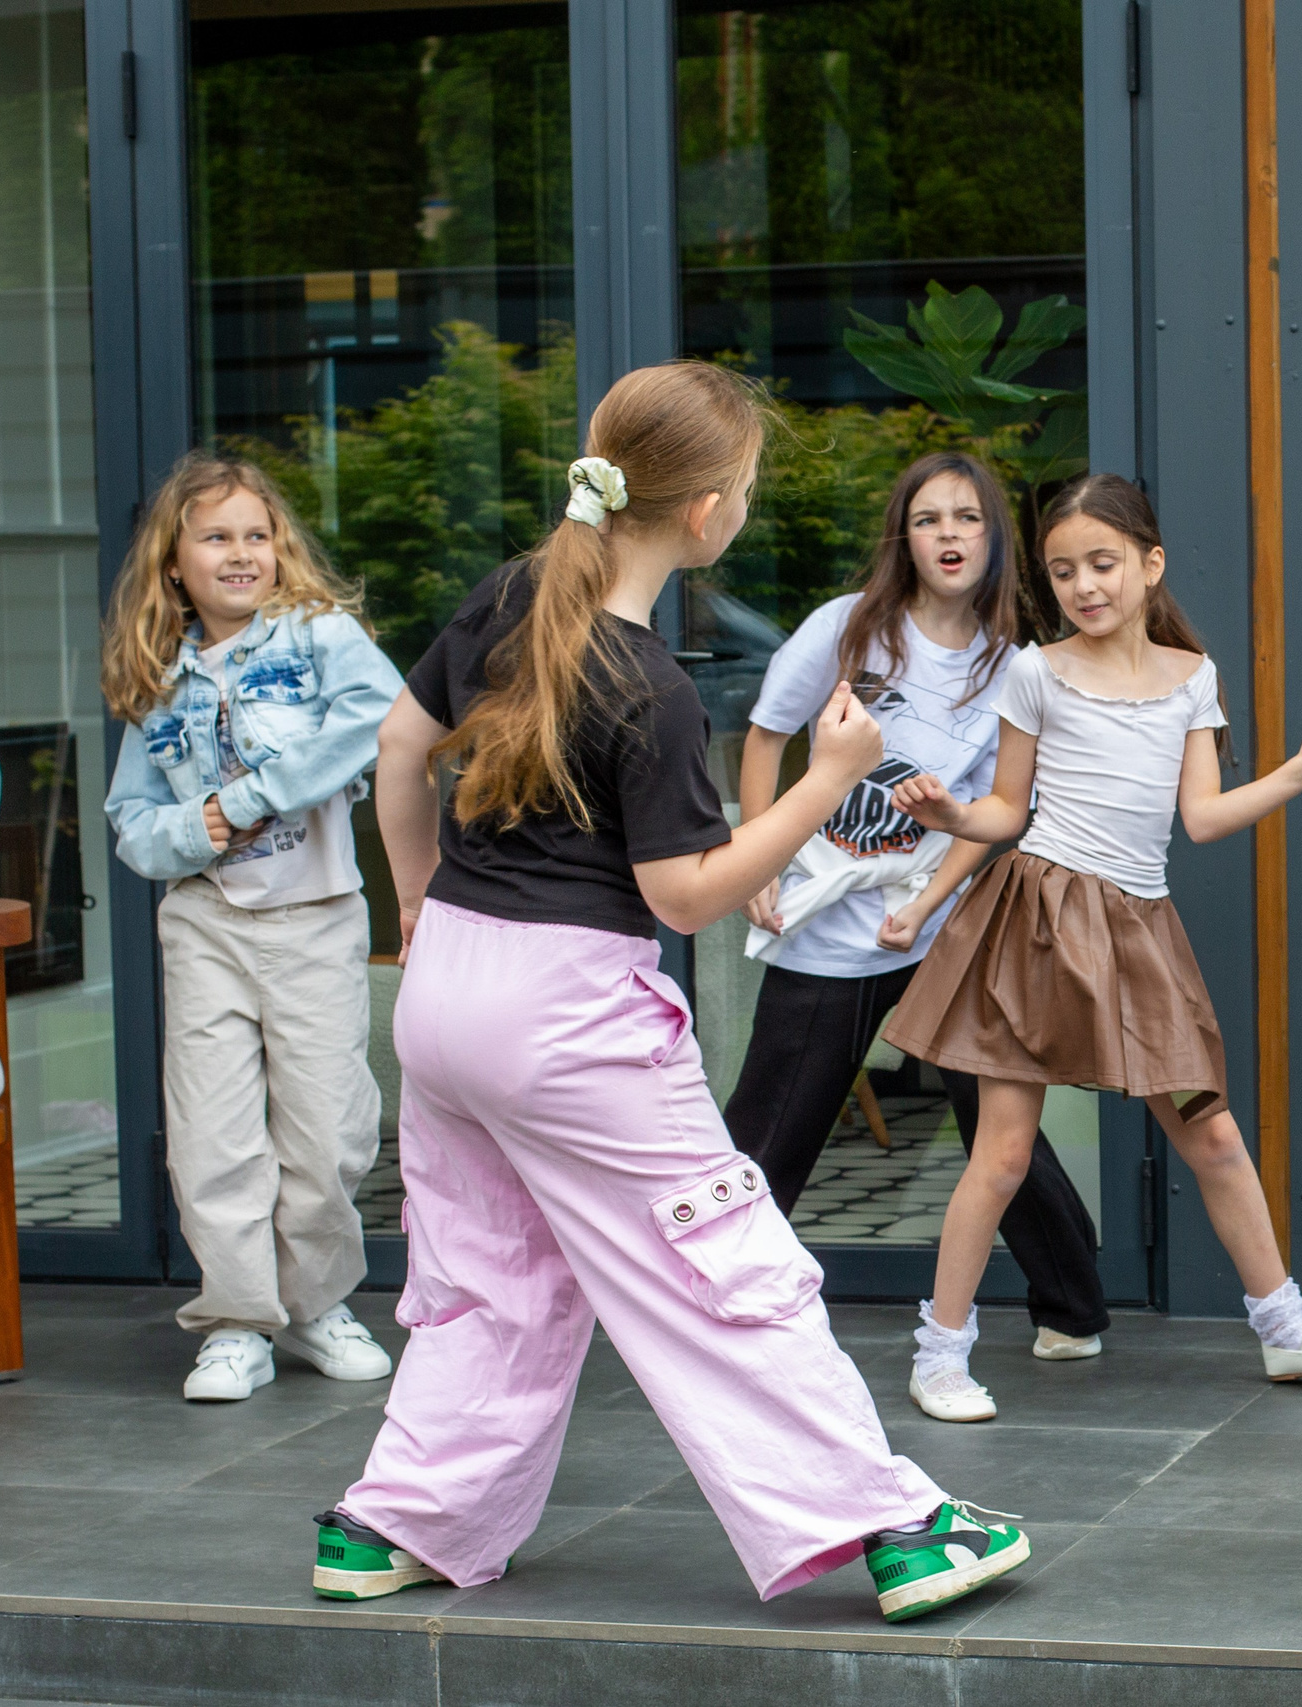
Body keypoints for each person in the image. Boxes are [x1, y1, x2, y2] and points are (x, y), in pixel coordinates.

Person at [316, 362, 1026, 1625]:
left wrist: (419, 904)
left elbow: (399, 749)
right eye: (745, 488)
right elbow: (685, 894)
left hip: (448, 996)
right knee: (723, 1265)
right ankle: (897, 1529)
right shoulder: (649, 686)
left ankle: (392, 1529)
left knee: (485, 1272)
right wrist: (826, 779)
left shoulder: (511, 600)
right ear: (707, 514)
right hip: (566, 1017)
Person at [877, 473, 1302, 1422]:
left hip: (1140, 927)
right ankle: (939, 1353)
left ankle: (1286, 1329)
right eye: (1063, 570)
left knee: (1215, 1136)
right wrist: (950, 811)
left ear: (1150, 565)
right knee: (1001, 1153)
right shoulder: (1034, 670)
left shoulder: (1190, 676)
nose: (1084, 585)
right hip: (1035, 919)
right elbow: (1005, 806)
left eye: (1103, 564)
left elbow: (1199, 818)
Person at [722, 451, 1110, 1359]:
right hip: (826, 919)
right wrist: (755, 859)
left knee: (999, 1122)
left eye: (968, 518)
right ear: (906, 533)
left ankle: (1073, 1307)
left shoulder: (1012, 665)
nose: (949, 535)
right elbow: (765, 734)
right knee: (774, 1122)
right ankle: (709, 1303)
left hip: (945, 928)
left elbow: (996, 812)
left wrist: (930, 900)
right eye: (930, 518)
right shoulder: (847, 629)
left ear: (993, 538)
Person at [102, 450, 404, 1403]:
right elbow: (132, 821)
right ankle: (237, 1320)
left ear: (279, 551)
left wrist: (255, 793)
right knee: (213, 1138)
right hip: (204, 925)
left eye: (256, 535)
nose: (240, 553)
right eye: (215, 537)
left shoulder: (319, 637)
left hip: (313, 919)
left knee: (327, 1132)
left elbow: (380, 716)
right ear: (175, 563)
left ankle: (314, 1305)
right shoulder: (160, 677)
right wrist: (200, 826)